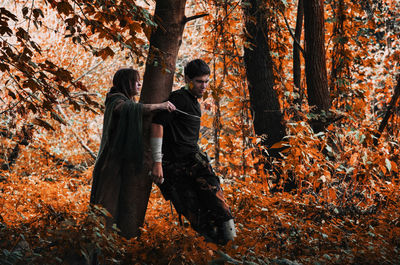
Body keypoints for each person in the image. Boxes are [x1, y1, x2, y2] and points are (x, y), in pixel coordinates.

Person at [150, 59, 236, 244]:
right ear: (187, 78)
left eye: (206, 81)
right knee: (196, 215)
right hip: (175, 168)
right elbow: (157, 124)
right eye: (199, 81)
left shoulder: (193, 102)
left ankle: (231, 250)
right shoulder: (179, 99)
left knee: (220, 209)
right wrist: (157, 162)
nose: (203, 86)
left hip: (194, 163)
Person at [90, 68, 176, 238]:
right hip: (109, 163)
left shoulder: (123, 100)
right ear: (126, 83)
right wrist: (159, 106)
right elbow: (127, 109)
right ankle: (98, 248)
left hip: (119, 163)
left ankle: (112, 243)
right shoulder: (115, 100)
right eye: (135, 81)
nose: (139, 84)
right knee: (105, 206)